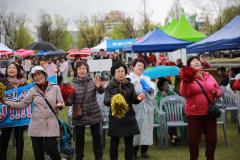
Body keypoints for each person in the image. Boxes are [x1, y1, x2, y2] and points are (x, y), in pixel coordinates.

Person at [0, 65, 65, 160]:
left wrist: (60, 104)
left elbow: (61, 101)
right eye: (34, 75)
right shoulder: (32, 90)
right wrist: (6, 102)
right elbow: (22, 104)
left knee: (49, 148)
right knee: (38, 152)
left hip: (51, 124)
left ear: (44, 74)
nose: (37, 77)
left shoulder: (55, 88)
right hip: (36, 125)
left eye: (39, 74)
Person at [180, 56, 222, 160]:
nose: (196, 62)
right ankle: (193, 158)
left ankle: (210, 158)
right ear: (189, 66)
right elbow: (184, 93)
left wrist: (218, 92)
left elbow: (218, 89)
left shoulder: (209, 76)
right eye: (193, 61)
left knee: (212, 139)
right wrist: (185, 81)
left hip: (209, 113)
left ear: (201, 64)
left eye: (197, 60)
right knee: (194, 140)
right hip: (194, 114)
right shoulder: (188, 78)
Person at [104, 63, 144, 160]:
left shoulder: (130, 85)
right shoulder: (110, 86)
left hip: (128, 118)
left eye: (122, 71)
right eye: (118, 71)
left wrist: (138, 98)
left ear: (126, 72)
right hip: (115, 119)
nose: (121, 73)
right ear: (114, 73)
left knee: (129, 145)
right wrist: (115, 100)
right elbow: (106, 101)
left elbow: (133, 99)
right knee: (114, 144)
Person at [66, 61, 104, 160]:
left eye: (84, 68)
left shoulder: (93, 81)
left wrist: (100, 86)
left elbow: (101, 91)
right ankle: (79, 157)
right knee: (79, 140)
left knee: (97, 138)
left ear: (87, 70)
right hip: (79, 115)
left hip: (93, 113)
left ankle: (98, 157)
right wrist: (65, 98)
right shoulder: (72, 84)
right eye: (79, 69)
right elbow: (70, 102)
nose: (82, 70)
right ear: (76, 71)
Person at [128, 58, 156, 159]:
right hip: (135, 108)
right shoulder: (129, 79)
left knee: (146, 129)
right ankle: (133, 151)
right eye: (138, 65)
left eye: (142, 66)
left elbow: (153, 91)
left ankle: (144, 150)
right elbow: (127, 92)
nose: (140, 67)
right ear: (133, 67)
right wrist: (136, 84)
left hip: (146, 108)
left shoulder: (147, 78)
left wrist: (149, 89)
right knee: (135, 129)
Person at [0, 62, 27, 160]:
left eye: (13, 68)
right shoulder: (2, 81)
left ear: (18, 70)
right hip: (6, 115)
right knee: (4, 137)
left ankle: (19, 157)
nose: (11, 69)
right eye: (9, 68)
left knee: (19, 138)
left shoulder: (23, 83)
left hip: (19, 115)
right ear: (6, 70)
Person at [154, 77, 178, 145]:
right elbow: (157, 103)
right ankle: (174, 137)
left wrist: (167, 96)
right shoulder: (158, 94)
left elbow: (175, 101)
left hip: (171, 114)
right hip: (160, 114)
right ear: (161, 87)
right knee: (169, 118)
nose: (168, 86)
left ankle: (173, 137)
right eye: (166, 84)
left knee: (172, 118)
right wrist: (162, 96)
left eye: (168, 84)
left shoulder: (171, 93)